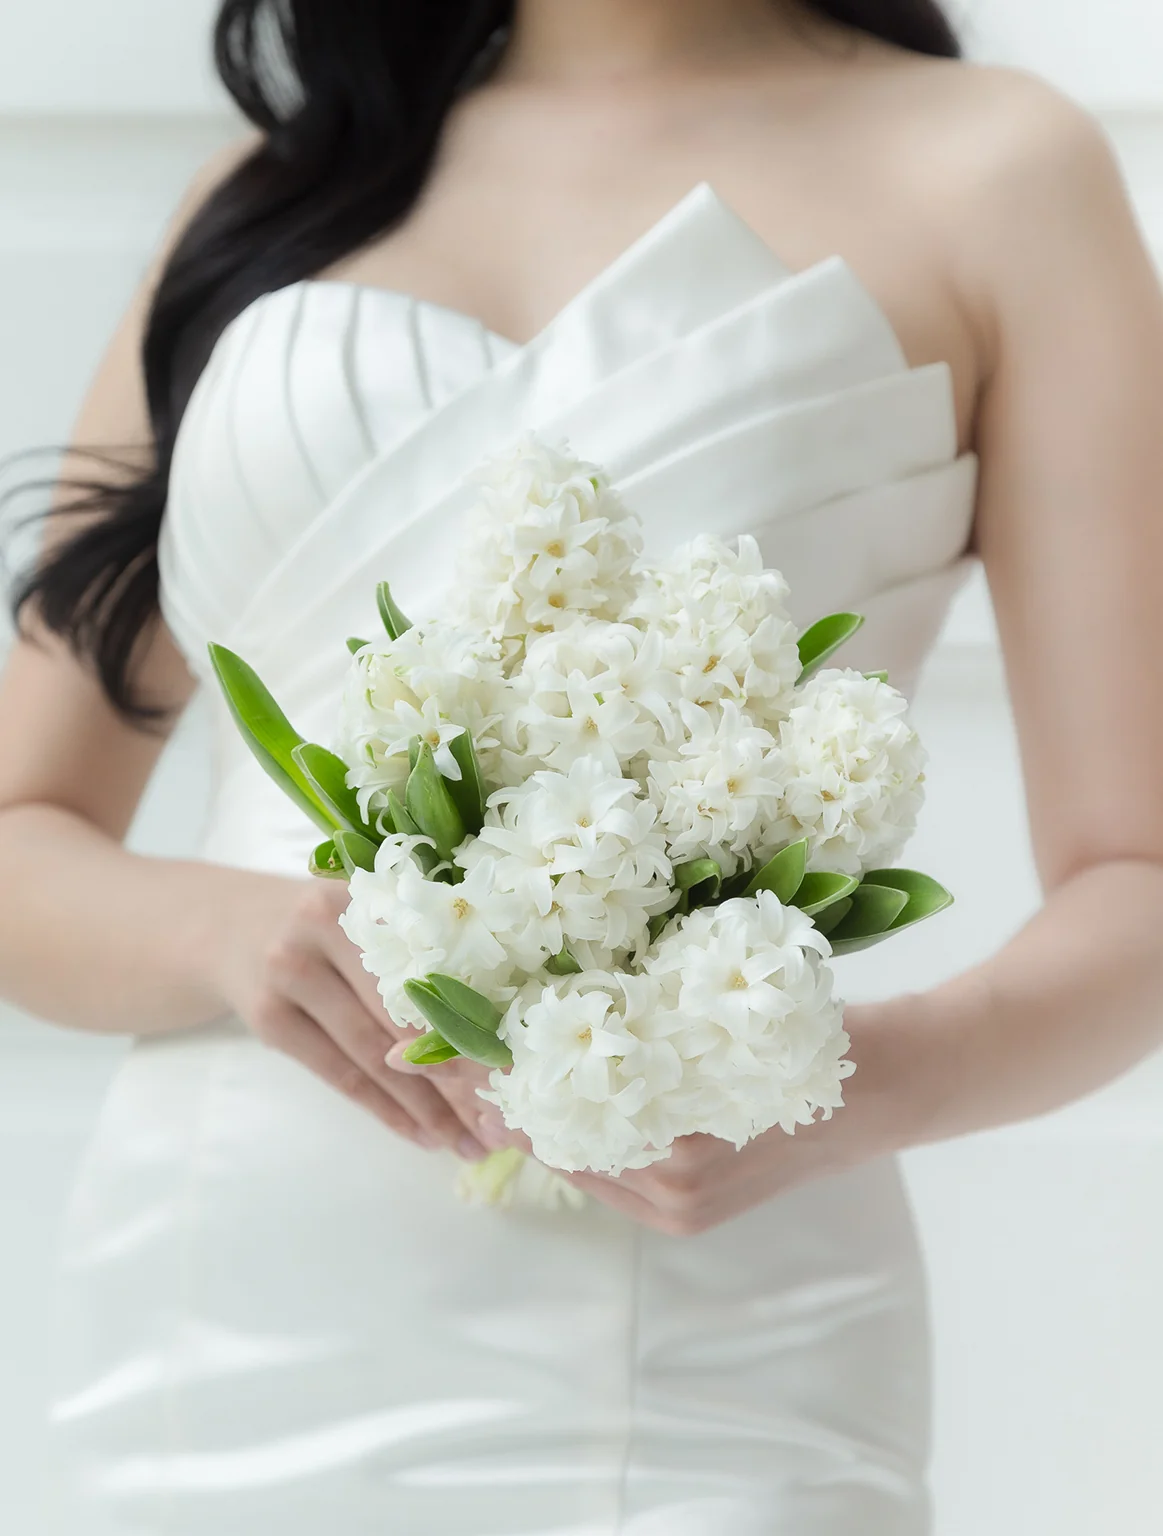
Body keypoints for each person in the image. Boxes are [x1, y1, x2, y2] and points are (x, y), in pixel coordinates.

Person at [2, 1, 1162, 1530]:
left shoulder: (998, 169)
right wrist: (226, 935)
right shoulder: (266, 202)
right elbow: (24, 835)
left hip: (714, 1326)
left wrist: (853, 1084)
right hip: (219, 1310)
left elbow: (1135, 877)